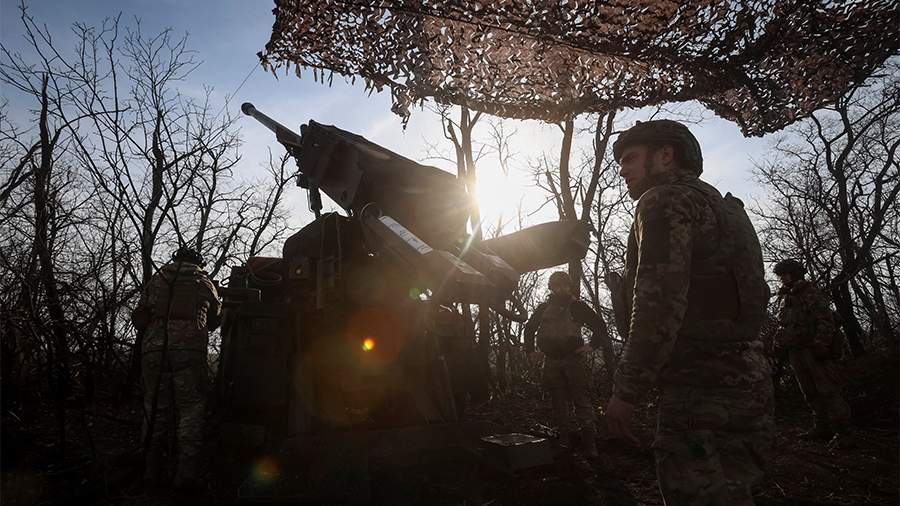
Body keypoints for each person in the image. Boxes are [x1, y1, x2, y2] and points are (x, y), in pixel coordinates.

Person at [604, 120, 774, 505]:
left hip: (698, 391)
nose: (623, 170)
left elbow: (659, 304)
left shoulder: (664, 200)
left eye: (630, 158)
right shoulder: (726, 208)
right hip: (750, 383)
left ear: (666, 155)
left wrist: (627, 390)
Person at [132, 246, 221, 489]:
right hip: (189, 352)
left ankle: (150, 472)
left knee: (155, 409)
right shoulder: (203, 282)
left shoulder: (157, 280)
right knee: (190, 410)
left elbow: (139, 318)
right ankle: (185, 476)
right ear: (198, 262)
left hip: (154, 350)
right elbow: (215, 320)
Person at [524, 271, 609, 458]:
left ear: (569, 286)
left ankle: (590, 444)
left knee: (582, 401)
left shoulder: (578, 306)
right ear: (551, 288)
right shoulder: (543, 308)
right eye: (557, 285)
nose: (561, 289)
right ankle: (565, 442)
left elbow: (599, 325)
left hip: (574, 360)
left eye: (564, 285)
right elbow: (529, 328)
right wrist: (530, 351)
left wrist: (592, 346)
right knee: (558, 403)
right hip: (551, 361)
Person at [773, 258, 850, 441]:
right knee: (809, 392)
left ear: (794, 273)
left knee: (828, 390)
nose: (782, 278)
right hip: (795, 349)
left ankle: (844, 433)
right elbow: (784, 324)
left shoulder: (809, 292)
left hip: (812, 348)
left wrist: (821, 343)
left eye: (784, 274)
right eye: (780, 275)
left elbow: (825, 319)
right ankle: (822, 427)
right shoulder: (786, 297)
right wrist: (778, 342)